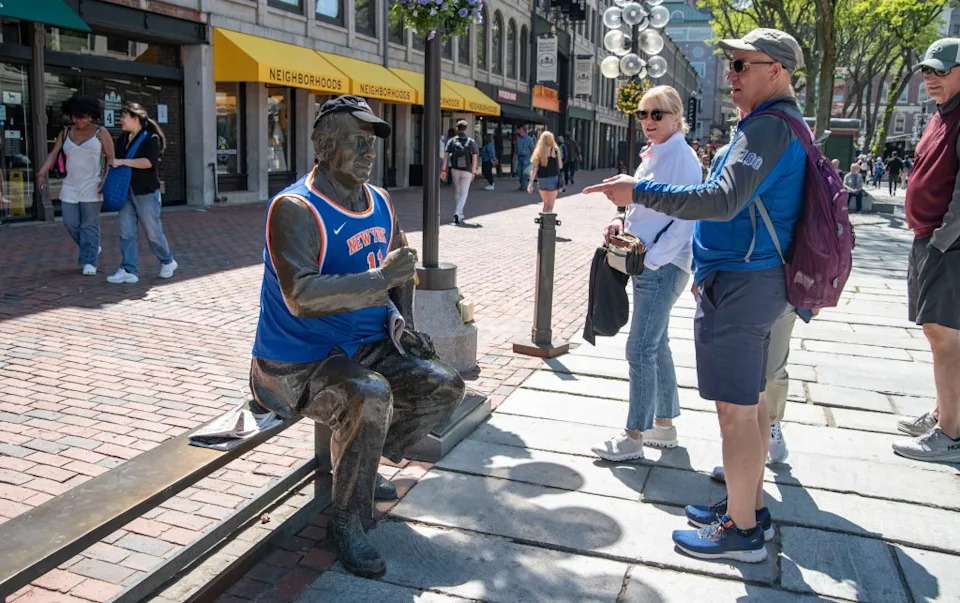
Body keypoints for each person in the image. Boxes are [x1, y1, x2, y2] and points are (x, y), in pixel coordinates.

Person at [584, 28, 806, 563]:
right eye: (729, 65)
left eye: (740, 66)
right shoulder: (778, 125)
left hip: (743, 280)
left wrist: (637, 191)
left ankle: (743, 533)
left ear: (775, 70)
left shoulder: (768, 128)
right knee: (750, 407)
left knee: (734, 413)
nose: (730, 76)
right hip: (754, 278)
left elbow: (722, 198)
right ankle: (746, 509)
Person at [249, 95, 465, 576]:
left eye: (371, 144)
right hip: (297, 361)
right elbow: (301, 295)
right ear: (324, 148)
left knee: (444, 384)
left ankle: (361, 468)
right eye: (356, 143)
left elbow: (401, 269)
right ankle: (346, 517)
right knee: (368, 394)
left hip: (363, 346)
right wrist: (379, 280)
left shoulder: (381, 201)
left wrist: (404, 326)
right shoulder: (295, 208)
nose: (369, 153)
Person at [589, 86, 702, 461]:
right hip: (649, 262)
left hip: (661, 267)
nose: (649, 121)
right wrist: (619, 220)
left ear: (676, 116)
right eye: (643, 114)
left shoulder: (682, 159)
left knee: (640, 349)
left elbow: (686, 220)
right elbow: (642, 207)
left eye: (658, 114)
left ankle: (633, 435)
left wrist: (651, 259)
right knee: (657, 345)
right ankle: (664, 425)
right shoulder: (654, 155)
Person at [891, 39, 960, 462]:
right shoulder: (942, 115)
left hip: (947, 245)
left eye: (940, 70)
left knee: (944, 337)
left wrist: (940, 240)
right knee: (938, 335)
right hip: (931, 240)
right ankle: (944, 413)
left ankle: (949, 433)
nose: (930, 77)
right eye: (927, 71)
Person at [36, 95, 115, 276]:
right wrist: (41, 173)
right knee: (70, 222)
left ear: (91, 115)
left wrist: (106, 179)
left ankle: (90, 261)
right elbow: (54, 154)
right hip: (70, 185)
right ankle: (92, 247)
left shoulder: (101, 132)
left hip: (93, 184)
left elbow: (111, 158)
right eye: (74, 116)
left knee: (90, 224)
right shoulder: (65, 132)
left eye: (82, 116)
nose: (77, 120)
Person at [105, 103, 177, 284]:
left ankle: (167, 260)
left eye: (124, 116)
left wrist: (122, 161)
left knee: (152, 231)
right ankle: (129, 268)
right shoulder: (122, 139)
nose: (121, 120)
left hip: (145, 191)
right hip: (125, 191)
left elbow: (148, 162)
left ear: (135, 118)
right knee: (126, 231)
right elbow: (115, 163)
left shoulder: (151, 138)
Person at [441, 119, 479, 225]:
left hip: (455, 169)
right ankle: (458, 213)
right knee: (464, 193)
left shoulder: (451, 141)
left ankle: (460, 212)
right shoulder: (471, 141)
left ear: (457, 129)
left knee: (457, 191)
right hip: (467, 170)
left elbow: (445, 156)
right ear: (466, 129)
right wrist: (474, 171)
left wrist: (443, 170)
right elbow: (475, 157)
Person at [526, 131, 563, 213]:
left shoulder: (538, 151)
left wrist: (530, 183)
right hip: (553, 179)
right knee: (550, 207)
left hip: (541, 180)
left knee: (545, 205)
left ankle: (543, 224)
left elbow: (534, 169)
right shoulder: (555, 150)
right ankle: (548, 225)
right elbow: (560, 166)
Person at [514, 126, 535, 191]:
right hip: (519, 157)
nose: (519, 132)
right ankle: (523, 185)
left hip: (526, 157)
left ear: (524, 132)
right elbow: (516, 149)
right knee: (519, 171)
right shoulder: (518, 139)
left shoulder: (529, 139)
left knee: (524, 172)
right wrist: (514, 156)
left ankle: (524, 186)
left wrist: (533, 158)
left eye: (521, 131)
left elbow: (532, 149)